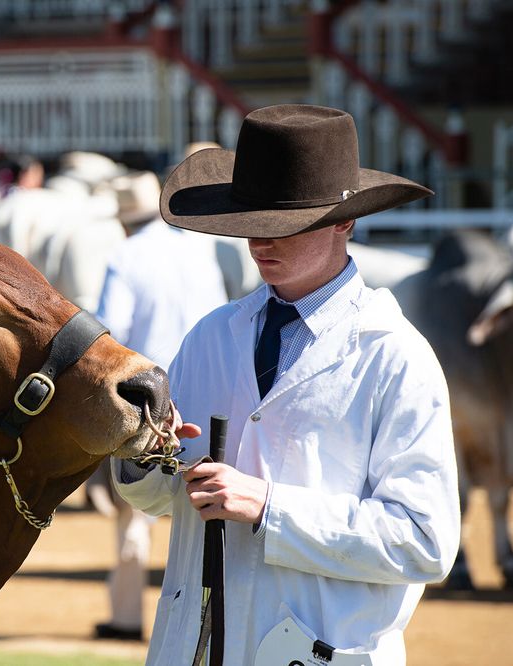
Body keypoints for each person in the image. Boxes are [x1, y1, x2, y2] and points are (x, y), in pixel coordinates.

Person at [112, 104, 460, 664]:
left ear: (344, 221)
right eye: (250, 219)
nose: (259, 242)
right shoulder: (210, 337)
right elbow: (164, 500)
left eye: (284, 224)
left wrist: (269, 506)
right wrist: (146, 457)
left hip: (325, 651)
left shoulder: (395, 355)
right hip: (197, 646)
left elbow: (424, 541)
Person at [88, 166, 228, 641]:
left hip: (150, 400)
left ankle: (127, 618)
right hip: (209, 390)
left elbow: (111, 330)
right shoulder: (200, 250)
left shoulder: (126, 255)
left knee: (135, 513)